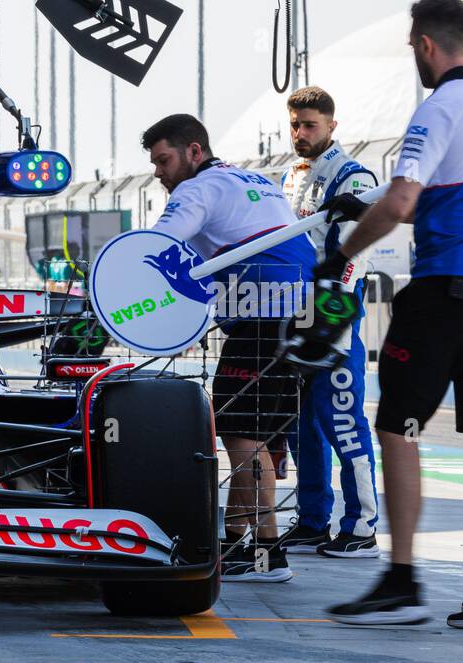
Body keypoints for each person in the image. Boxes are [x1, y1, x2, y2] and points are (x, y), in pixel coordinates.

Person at [316, 0, 463, 627]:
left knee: (397, 427)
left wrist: (342, 252)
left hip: (443, 293)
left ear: (426, 45)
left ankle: (402, 577)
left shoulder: (438, 107)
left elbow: (403, 199)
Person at [142, 113, 315, 583]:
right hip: (299, 314)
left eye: (164, 160)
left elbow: (155, 246)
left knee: (244, 435)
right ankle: (239, 539)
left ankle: (265, 552)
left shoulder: (196, 190)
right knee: (248, 431)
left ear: (194, 152)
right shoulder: (250, 178)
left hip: (264, 316)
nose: (158, 172)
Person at [278, 86, 381, 558]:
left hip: (333, 309)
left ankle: (361, 527)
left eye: (310, 125)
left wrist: (328, 319)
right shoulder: (289, 176)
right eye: (295, 124)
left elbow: (353, 255)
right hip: (296, 309)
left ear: (332, 125)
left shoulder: (353, 176)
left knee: (341, 417)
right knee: (301, 422)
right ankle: (313, 520)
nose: (300, 133)